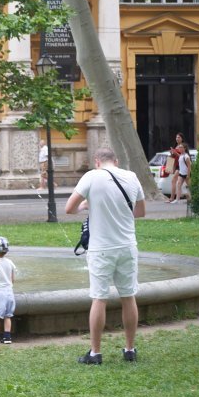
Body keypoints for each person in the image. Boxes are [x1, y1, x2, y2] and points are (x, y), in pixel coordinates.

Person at [64, 147, 146, 364]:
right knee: (128, 296)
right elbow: (140, 212)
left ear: (97, 161)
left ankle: (95, 352)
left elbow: (69, 208)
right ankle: (129, 349)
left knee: (99, 298)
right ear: (116, 161)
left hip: (101, 249)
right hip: (127, 245)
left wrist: (86, 205)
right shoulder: (131, 177)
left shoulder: (91, 176)